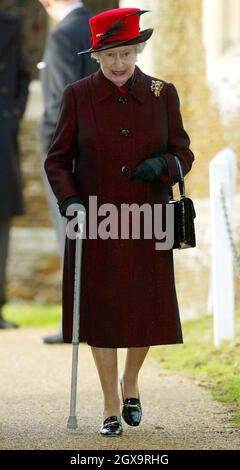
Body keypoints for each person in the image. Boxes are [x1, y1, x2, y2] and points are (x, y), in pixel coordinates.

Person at [45, 8, 195, 436]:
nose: (119, 64)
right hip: (96, 221)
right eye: (110, 55)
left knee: (144, 309)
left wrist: (163, 165)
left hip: (149, 217)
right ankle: (111, 402)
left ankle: (131, 382)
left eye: (127, 53)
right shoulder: (78, 95)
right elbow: (57, 160)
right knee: (103, 312)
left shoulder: (163, 93)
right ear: (96, 56)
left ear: (138, 50)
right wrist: (70, 201)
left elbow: (184, 153)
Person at [38, 0, 98, 344]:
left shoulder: (62, 34)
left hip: (67, 156)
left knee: (70, 237)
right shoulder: (94, 27)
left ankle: (74, 325)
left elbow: (60, 103)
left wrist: (53, 155)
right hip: (94, 151)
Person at [0, 8, 30, 329]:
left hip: (0, 136)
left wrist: (11, 118)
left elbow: (22, 75)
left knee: (1, 225)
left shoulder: (9, 22)